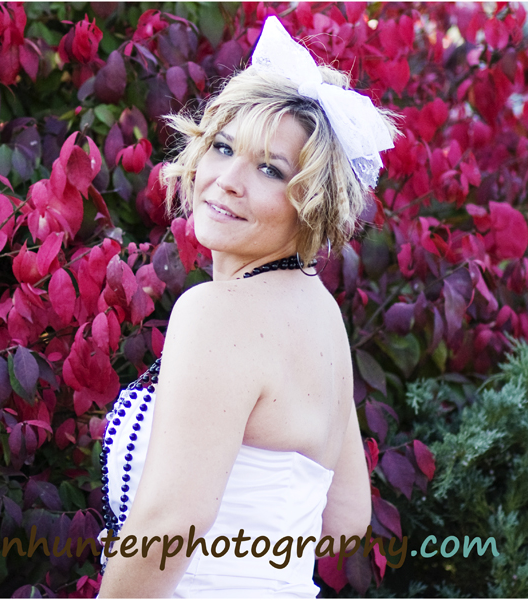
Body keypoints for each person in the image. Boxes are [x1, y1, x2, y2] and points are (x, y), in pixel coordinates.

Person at [96, 15, 399, 598]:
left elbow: (167, 527)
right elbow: (345, 522)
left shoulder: (216, 312)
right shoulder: (322, 316)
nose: (228, 180)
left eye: (269, 169)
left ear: (313, 202)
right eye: (223, 147)